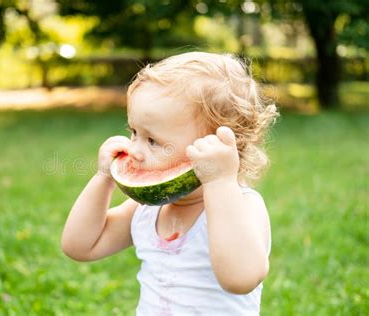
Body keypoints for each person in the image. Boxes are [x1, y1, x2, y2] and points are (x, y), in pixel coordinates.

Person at [61, 52, 279, 315]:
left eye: (153, 140)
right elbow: (80, 246)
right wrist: (103, 179)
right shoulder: (146, 211)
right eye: (134, 133)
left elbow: (241, 278)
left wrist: (220, 182)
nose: (135, 150)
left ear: (216, 145)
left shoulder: (243, 206)